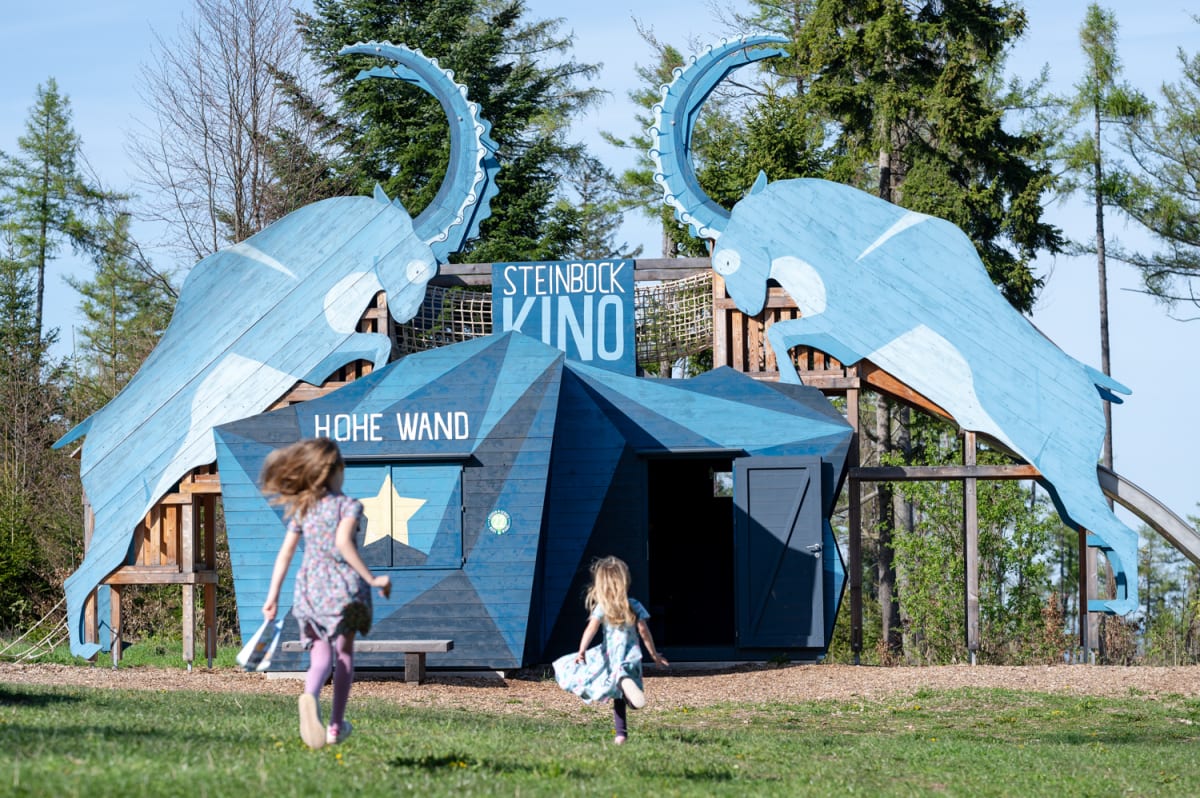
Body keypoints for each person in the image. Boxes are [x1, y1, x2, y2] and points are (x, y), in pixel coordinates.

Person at [260, 438, 391, 750]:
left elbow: (285, 555)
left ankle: (310, 693)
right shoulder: (349, 505)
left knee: (319, 655)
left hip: (308, 589)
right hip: (343, 589)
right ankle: (334, 727)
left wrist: (273, 595)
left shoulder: (304, 509)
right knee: (344, 654)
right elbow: (344, 544)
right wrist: (372, 579)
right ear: (336, 470)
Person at [553, 556, 669, 744]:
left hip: (610, 657)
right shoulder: (634, 605)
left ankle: (620, 734)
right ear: (625, 580)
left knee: (618, 697)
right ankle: (624, 685)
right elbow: (643, 631)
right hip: (631, 656)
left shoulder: (603, 607)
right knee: (626, 697)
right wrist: (654, 655)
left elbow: (591, 628)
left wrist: (581, 650)